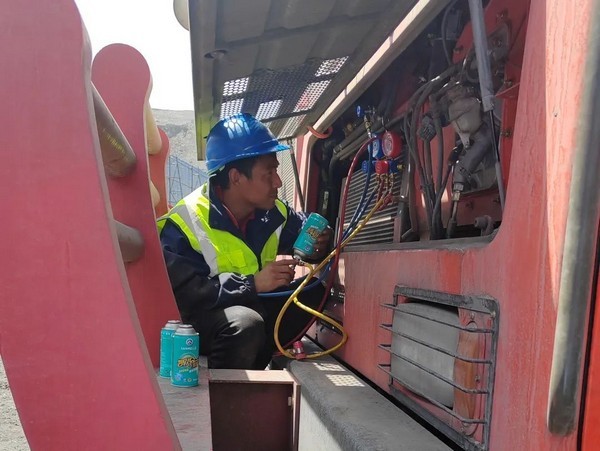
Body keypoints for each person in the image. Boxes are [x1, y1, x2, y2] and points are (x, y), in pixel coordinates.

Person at [158, 113, 331, 369]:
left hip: (253, 310)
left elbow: (303, 229)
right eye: (269, 173)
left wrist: (319, 243)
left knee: (314, 290)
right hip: (207, 327)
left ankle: (261, 358)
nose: (278, 181)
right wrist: (253, 284)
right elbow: (188, 297)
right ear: (236, 177)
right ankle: (223, 386)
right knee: (245, 323)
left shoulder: (272, 212)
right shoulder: (183, 223)